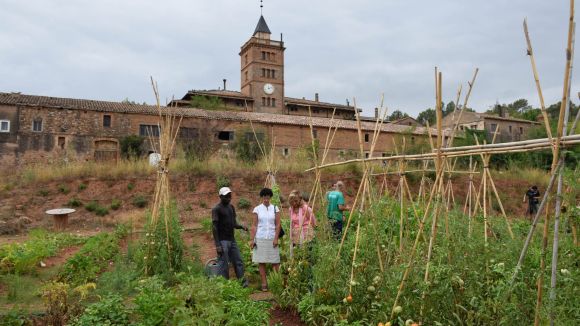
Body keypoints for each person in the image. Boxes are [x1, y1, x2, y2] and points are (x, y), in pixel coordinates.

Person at [211, 187, 248, 286]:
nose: (228, 198)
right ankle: (225, 286)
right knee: (224, 264)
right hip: (222, 241)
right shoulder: (216, 209)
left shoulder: (231, 207)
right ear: (220, 196)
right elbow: (214, 227)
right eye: (226, 196)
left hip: (232, 240)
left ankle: (243, 284)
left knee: (238, 261)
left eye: (229, 195)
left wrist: (242, 227)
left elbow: (234, 224)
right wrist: (217, 244)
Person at [250, 187, 281, 291]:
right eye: (264, 197)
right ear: (262, 197)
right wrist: (252, 239)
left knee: (275, 261)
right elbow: (254, 225)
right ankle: (264, 283)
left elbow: (278, 224)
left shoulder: (275, 208)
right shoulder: (257, 209)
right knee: (261, 261)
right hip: (260, 238)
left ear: (270, 197)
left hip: (272, 238)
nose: (266, 199)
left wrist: (276, 238)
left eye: (268, 197)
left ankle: (277, 282)